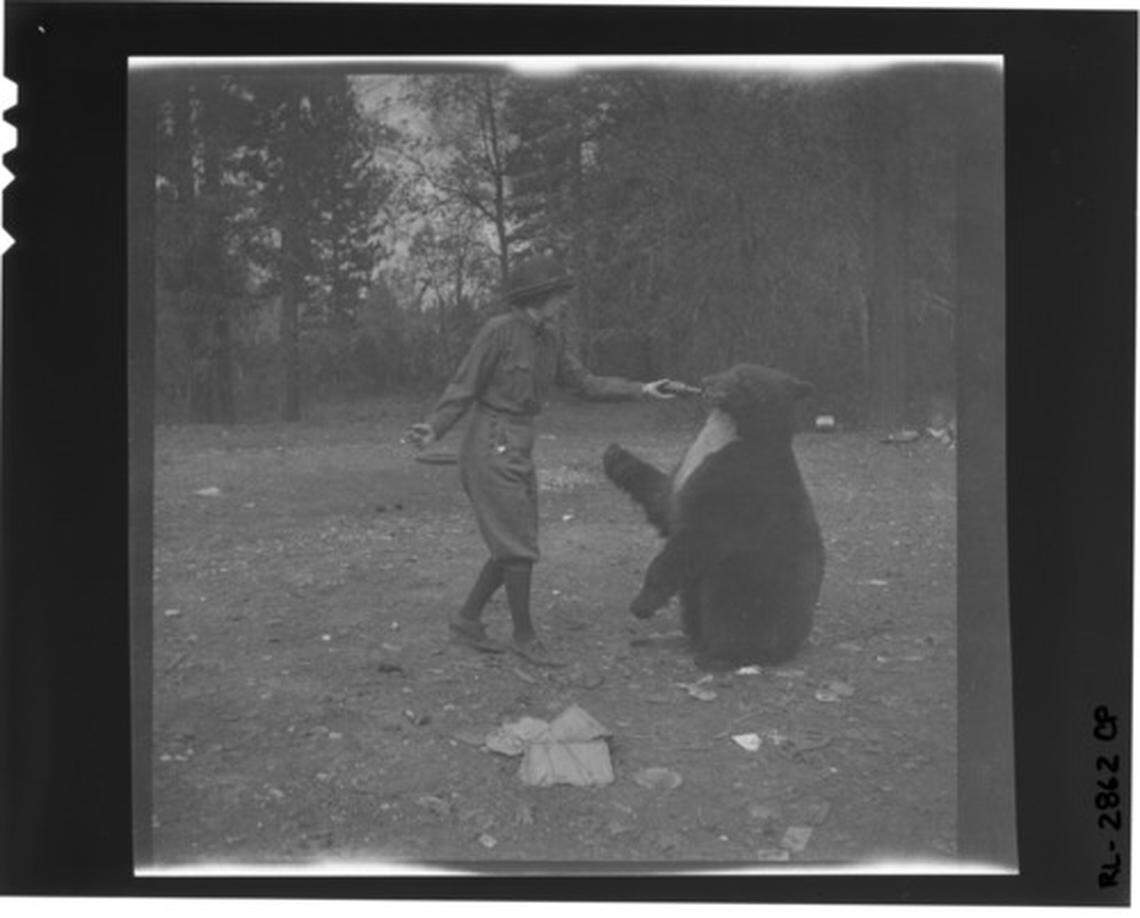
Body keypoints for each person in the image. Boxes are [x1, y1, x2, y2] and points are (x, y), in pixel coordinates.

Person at [404, 255, 679, 667]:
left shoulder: (550, 338)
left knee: (515, 541)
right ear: (539, 295)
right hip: (490, 442)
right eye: (559, 294)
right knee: (517, 546)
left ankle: (467, 621)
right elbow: (464, 385)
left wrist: (643, 389)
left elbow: (584, 383)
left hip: (519, 442)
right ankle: (524, 637)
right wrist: (434, 427)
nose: (564, 301)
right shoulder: (498, 332)